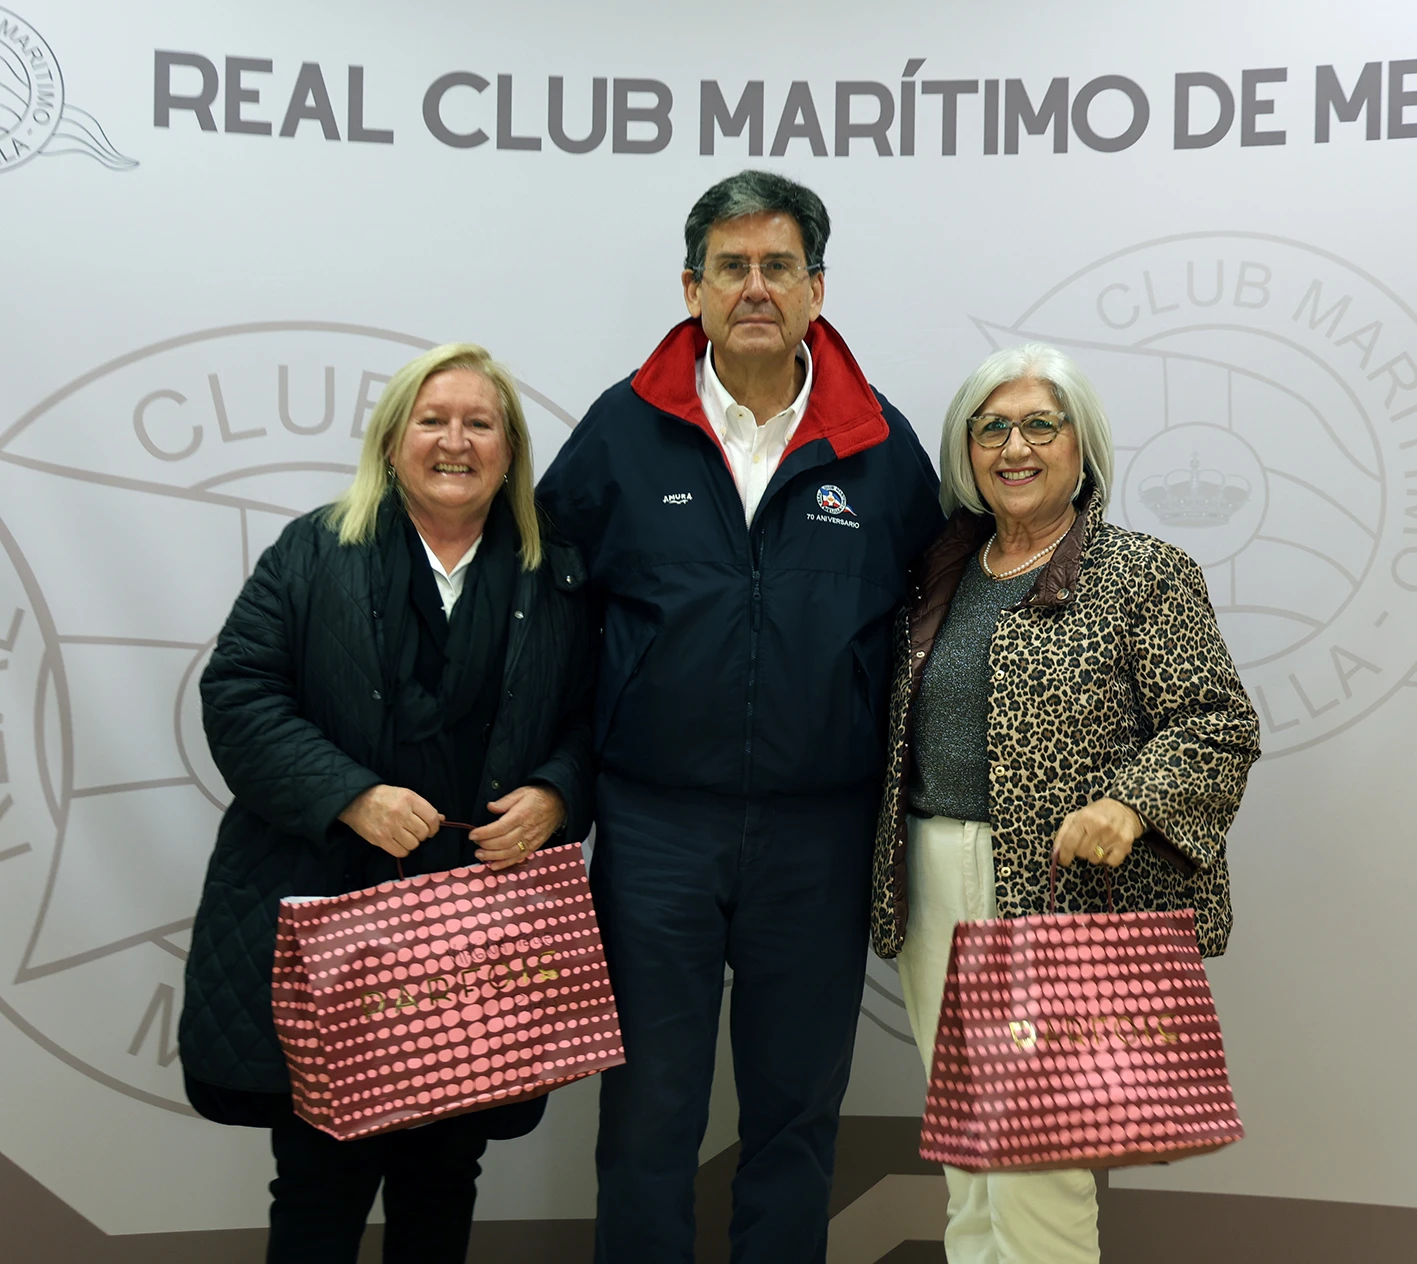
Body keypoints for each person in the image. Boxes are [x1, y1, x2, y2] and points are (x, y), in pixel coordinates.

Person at [537, 169, 944, 1263]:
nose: (754, 286)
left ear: (817, 288)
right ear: (692, 288)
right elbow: (549, 617)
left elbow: (938, 613)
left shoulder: (881, 446)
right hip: (655, 827)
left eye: (777, 265)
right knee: (648, 1111)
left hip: (820, 831)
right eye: (731, 266)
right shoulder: (619, 434)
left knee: (795, 1112)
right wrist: (553, 781)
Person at [178, 343, 595, 1264]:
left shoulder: (556, 573)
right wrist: (351, 795)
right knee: (320, 1177)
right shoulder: (314, 549)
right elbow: (238, 694)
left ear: (509, 449)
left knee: (443, 1173)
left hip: (475, 927)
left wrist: (555, 792)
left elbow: (593, 715)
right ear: (392, 439)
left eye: (479, 423)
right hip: (334, 907)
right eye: (431, 420)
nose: (455, 441)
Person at [870, 342, 1261, 1263]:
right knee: (967, 1148)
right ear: (966, 450)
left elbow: (1218, 723)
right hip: (932, 875)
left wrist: (1130, 804)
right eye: (991, 429)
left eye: (1040, 426)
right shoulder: (933, 574)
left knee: (1037, 1158)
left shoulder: (1142, 574)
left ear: (1081, 447)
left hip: (1060, 894)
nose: (1015, 448)